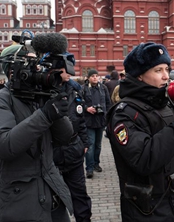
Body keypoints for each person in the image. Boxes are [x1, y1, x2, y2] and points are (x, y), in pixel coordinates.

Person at [106, 42, 174, 222]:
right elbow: (144, 159)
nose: (166, 76)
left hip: (172, 200)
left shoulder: (163, 103)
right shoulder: (124, 113)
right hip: (146, 208)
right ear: (140, 75)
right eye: (158, 70)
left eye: (167, 69)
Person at [0, 44, 73, 221]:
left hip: (53, 196)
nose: (36, 69)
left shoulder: (38, 95)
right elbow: (6, 146)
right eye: (30, 64)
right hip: (20, 203)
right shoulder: (4, 98)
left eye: (37, 64)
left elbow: (65, 137)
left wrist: (55, 108)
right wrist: (45, 114)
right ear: (13, 69)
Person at [53, 52, 92, 222]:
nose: (69, 72)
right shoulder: (43, 91)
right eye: (64, 69)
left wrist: (84, 142)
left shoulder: (75, 91)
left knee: (80, 197)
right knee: (55, 200)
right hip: (52, 156)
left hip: (74, 153)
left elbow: (80, 119)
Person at [82, 69, 111, 178]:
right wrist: (86, 109)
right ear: (88, 78)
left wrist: (107, 115)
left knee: (98, 145)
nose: (95, 77)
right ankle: (89, 168)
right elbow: (78, 103)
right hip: (89, 121)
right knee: (90, 144)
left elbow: (108, 103)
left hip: (101, 120)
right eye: (92, 76)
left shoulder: (103, 88)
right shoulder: (83, 89)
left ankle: (96, 164)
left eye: (96, 76)